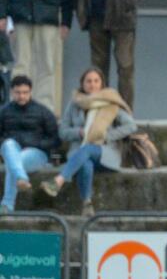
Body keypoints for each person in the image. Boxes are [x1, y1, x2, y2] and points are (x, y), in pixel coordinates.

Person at [38, 67, 136, 218]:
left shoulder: (110, 101)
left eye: (96, 81)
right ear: (82, 84)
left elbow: (131, 126)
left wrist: (106, 135)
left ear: (102, 83)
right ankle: (87, 204)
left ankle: (59, 180)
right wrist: (79, 132)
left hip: (105, 153)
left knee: (89, 149)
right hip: (79, 151)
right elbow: (63, 131)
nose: (92, 85)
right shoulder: (74, 103)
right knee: (85, 163)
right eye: (88, 81)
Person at [0, 76, 59, 214]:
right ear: (12, 92)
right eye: (18, 92)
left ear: (31, 92)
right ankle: (21, 178)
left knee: (14, 161)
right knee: (8, 145)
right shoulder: (4, 112)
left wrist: (36, 144)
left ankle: (7, 205)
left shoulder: (43, 112)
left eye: (25, 92)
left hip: (37, 153)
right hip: (12, 150)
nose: (21, 96)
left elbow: (55, 139)